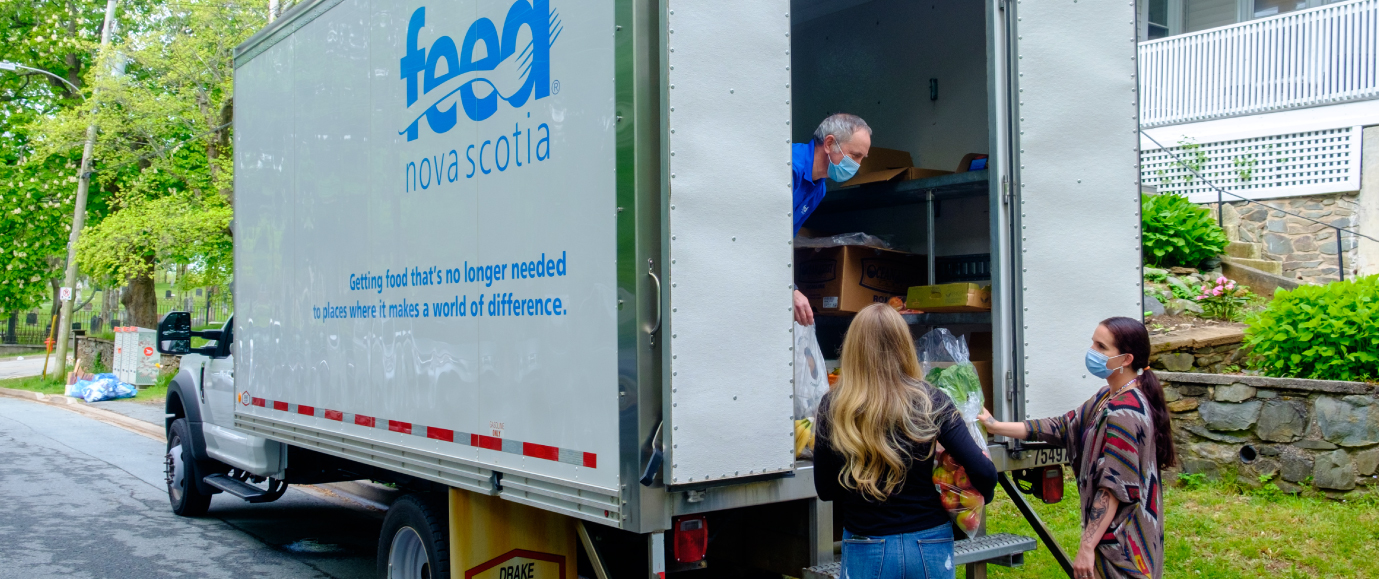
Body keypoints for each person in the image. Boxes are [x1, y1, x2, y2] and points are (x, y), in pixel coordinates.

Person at [979, 317, 1173, 579]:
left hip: (1124, 548)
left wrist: (1087, 545)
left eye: (1101, 347)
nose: (1092, 351)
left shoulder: (1124, 412)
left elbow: (1113, 489)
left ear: (1126, 359)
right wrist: (996, 426)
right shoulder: (1108, 396)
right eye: (1093, 343)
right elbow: (1062, 426)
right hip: (1120, 540)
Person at [813, 304, 996, 579]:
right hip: (929, 543)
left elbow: (826, 489)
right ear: (903, 346)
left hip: (866, 543)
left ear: (853, 349)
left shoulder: (834, 406)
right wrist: (976, 498)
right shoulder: (932, 401)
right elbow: (984, 472)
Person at [792, 113, 872, 326]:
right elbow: (760, 235)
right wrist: (788, 290)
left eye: (862, 158)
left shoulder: (819, 188)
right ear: (829, 143)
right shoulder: (790, 169)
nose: (858, 165)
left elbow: (784, 241)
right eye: (855, 155)